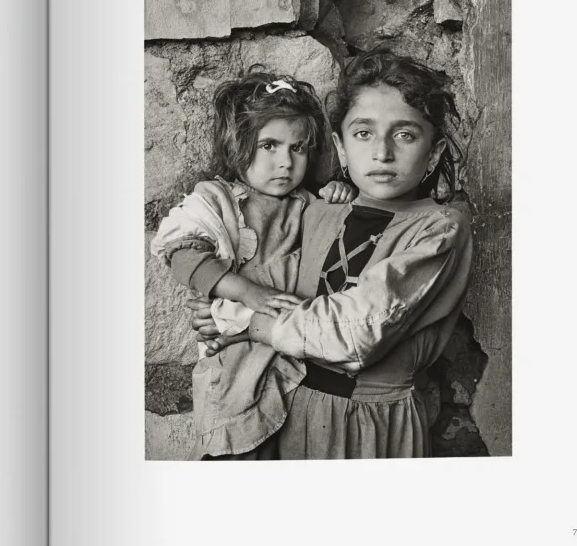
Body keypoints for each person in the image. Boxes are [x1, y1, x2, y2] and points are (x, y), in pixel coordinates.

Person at [194, 50, 474, 459]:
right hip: (293, 413)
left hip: (375, 423)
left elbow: (356, 331)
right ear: (341, 148)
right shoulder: (316, 212)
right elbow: (267, 278)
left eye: (405, 135)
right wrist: (218, 303)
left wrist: (243, 323)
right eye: (364, 134)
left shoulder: (440, 229)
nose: (382, 153)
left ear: (432, 154)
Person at [150, 68, 353, 460]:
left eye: (298, 148)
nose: (285, 163)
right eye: (269, 146)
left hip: (290, 354)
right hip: (234, 361)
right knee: (238, 450)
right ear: (237, 146)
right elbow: (182, 254)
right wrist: (249, 292)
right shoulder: (217, 200)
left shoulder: (306, 203)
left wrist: (337, 193)